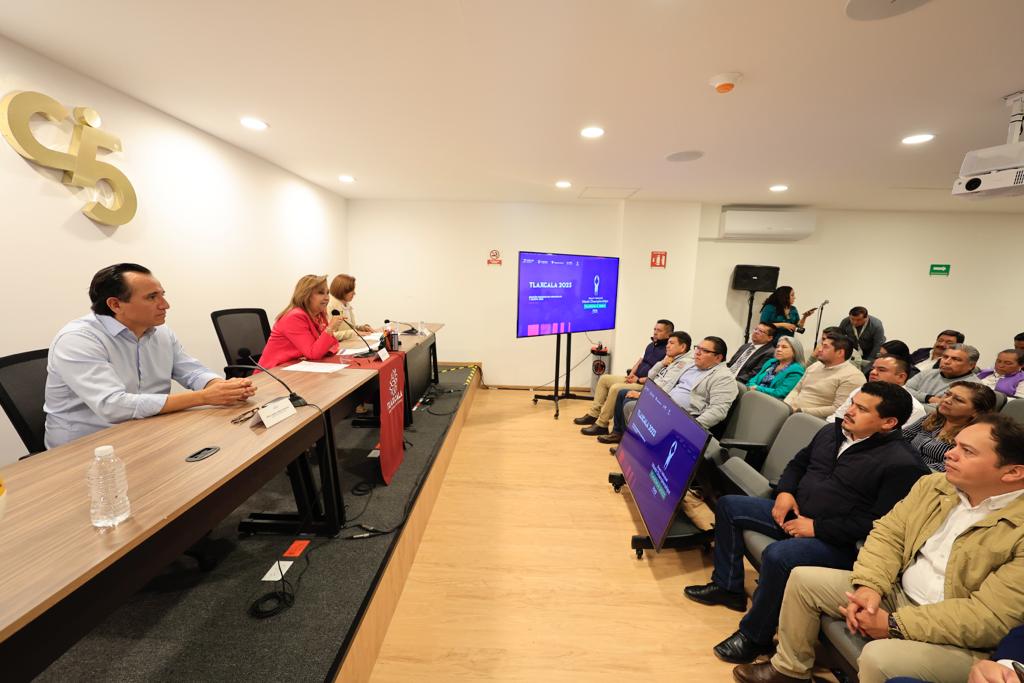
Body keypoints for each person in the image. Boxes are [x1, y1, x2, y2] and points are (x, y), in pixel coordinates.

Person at [732, 414, 1024, 683]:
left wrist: (895, 625)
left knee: (878, 658)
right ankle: (790, 671)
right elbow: (888, 535)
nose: (949, 453)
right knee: (803, 579)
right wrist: (869, 587)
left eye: (967, 451)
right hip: (896, 594)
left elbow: (988, 617)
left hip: (963, 639)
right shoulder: (934, 485)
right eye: (955, 444)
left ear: (1012, 472)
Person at [685, 382, 926, 665]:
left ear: (888, 422)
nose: (849, 411)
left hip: (841, 543)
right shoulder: (832, 431)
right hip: (797, 514)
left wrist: (816, 528)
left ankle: (755, 637)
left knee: (779, 556)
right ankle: (728, 587)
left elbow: (878, 524)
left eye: (861, 409)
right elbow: (798, 464)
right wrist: (785, 492)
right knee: (729, 506)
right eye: (852, 403)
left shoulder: (903, 464)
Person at [45, 263, 257, 449]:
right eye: (152, 297)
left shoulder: (160, 332)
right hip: (87, 447)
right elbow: (113, 405)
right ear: (115, 305)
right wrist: (204, 397)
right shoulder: (78, 340)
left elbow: (192, 372)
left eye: (162, 295)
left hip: (147, 430)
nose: (165, 305)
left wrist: (222, 387)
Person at [614, 336, 739, 450]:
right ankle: (637, 448)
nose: (697, 353)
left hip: (684, 417)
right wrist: (650, 398)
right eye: (698, 348)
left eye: (704, 351)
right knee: (631, 406)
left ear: (718, 358)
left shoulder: (724, 378)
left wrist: (691, 428)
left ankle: (643, 450)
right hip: (665, 407)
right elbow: (668, 384)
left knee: (634, 408)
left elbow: (718, 411)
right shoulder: (691, 366)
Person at [576, 319, 673, 434]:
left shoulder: (669, 352)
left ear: (669, 334)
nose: (655, 332)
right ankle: (593, 414)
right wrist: (632, 373)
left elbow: (659, 376)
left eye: (659, 330)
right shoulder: (651, 345)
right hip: (635, 378)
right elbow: (640, 361)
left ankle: (602, 424)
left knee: (616, 388)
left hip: (645, 384)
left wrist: (638, 380)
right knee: (604, 379)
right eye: (655, 329)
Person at [604, 331, 692, 440]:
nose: (667, 346)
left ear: (683, 347)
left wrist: (641, 395)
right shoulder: (671, 358)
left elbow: (665, 387)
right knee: (622, 393)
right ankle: (617, 432)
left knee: (627, 399)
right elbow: (650, 375)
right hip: (651, 390)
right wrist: (662, 363)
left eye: (671, 343)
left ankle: (628, 439)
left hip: (661, 399)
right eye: (668, 343)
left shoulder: (683, 363)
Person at [903, 381, 997, 472]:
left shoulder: (975, 437)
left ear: (976, 412)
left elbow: (946, 468)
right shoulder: (933, 417)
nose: (946, 400)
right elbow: (902, 437)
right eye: (947, 394)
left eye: (958, 400)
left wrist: (904, 466)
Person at [257, 274, 344, 370]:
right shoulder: (294, 317)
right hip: (274, 371)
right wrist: (330, 328)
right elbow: (313, 353)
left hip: (297, 366)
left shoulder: (319, 314)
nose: (327, 298)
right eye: (320, 293)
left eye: (327, 293)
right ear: (306, 295)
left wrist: (322, 348)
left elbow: (334, 345)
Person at [784, 333, 865, 417]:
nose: (819, 349)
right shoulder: (815, 366)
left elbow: (838, 409)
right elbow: (796, 390)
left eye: (825, 347)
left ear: (840, 352)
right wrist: (786, 406)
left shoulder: (853, 376)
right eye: (821, 345)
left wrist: (800, 411)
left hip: (812, 419)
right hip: (791, 412)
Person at [835, 355, 927, 428]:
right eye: (873, 368)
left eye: (881, 370)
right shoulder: (861, 390)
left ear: (901, 377)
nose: (873, 372)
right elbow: (837, 418)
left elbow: (898, 438)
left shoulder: (915, 409)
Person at [905, 343, 981, 404]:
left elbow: (939, 410)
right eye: (945, 357)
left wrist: (915, 398)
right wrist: (928, 398)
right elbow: (904, 390)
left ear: (971, 366)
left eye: (956, 359)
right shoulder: (927, 373)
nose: (947, 362)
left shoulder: (973, 387)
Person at [328, 273, 373, 342]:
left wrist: (362, 328)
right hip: (340, 346)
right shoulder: (330, 307)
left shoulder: (346, 305)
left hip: (350, 343)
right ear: (343, 291)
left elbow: (349, 328)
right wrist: (354, 333)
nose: (354, 293)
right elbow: (329, 335)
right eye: (352, 291)